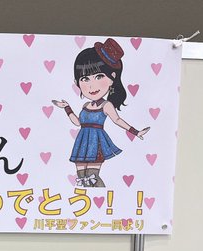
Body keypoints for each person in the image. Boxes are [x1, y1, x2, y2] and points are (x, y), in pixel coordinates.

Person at [52, 38, 150, 187]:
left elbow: (117, 120)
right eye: (85, 79)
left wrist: (135, 132)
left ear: (112, 78)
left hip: (96, 143)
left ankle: (100, 198)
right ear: (77, 82)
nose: (91, 85)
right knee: (81, 178)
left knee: (93, 177)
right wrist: (67, 107)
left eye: (99, 77)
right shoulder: (85, 105)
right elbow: (78, 122)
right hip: (82, 144)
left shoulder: (106, 105)